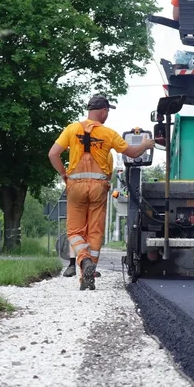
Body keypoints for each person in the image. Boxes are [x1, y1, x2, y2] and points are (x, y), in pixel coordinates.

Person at [47, 95, 155, 291]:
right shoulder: (109, 133)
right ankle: (89, 271)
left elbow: (53, 154)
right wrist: (146, 145)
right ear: (103, 111)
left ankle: (84, 265)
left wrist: (64, 174)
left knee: (74, 232)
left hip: (76, 186)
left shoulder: (72, 129)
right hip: (98, 187)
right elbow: (132, 152)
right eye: (107, 112)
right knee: (95, 231)